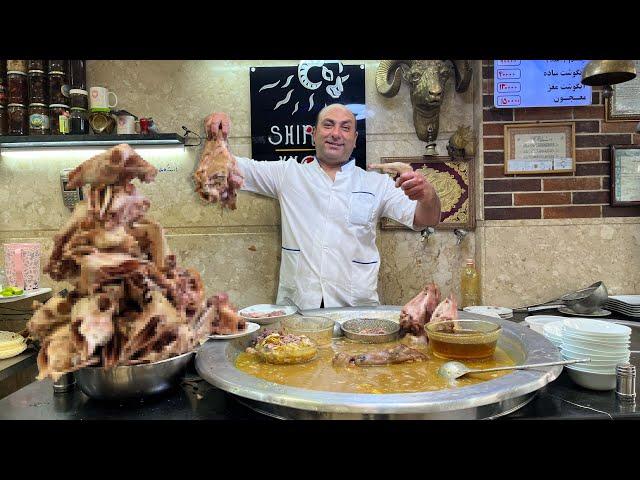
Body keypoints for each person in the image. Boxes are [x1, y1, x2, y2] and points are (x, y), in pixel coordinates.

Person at [205, 103, 441, 309]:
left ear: (355, 139)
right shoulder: (288, 174)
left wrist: (428, 196)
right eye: (328, 125)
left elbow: (425, 219)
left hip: (356, 310)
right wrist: (217, 137)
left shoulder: (376, 183)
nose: (336, 133)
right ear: (314, 134)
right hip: (300, 308)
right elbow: (227, 168)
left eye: (345, 127)